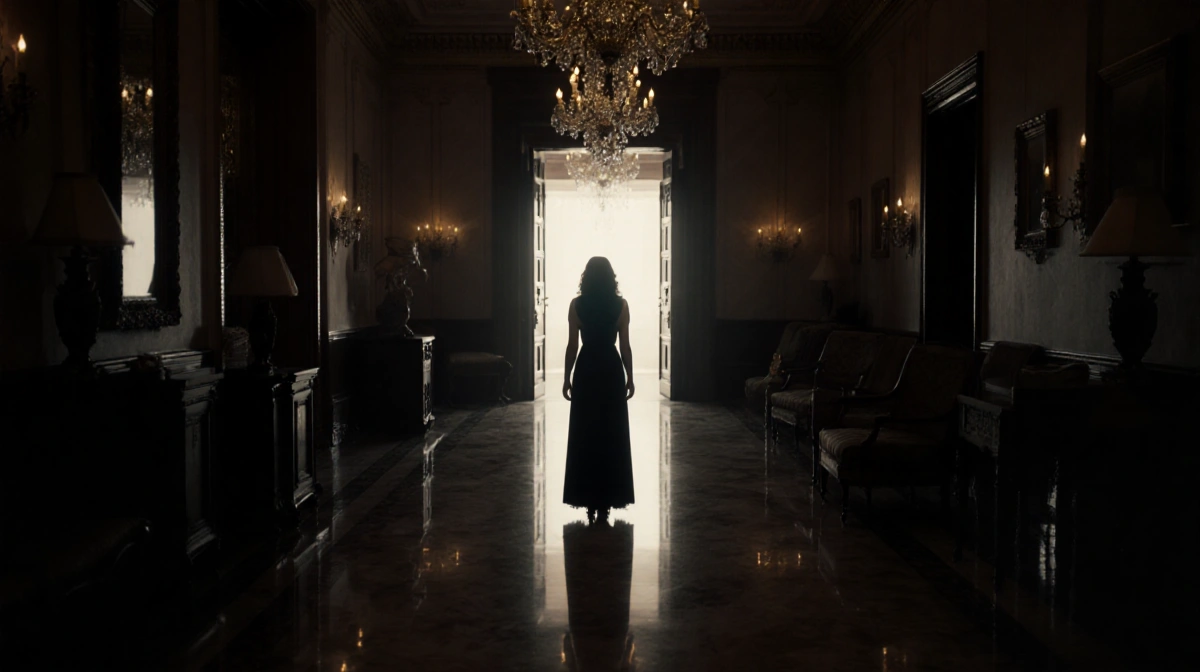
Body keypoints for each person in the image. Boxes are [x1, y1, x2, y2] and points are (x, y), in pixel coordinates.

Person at [562, 256, 635, 523]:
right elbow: (625, 346)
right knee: (611, 432)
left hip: (587, 368)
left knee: (586, 431)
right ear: (610, 278)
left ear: (586, 278)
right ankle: (608, 497)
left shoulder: (576, 305)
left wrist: (567, 377)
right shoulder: (621, 305)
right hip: (611, 369)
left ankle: (587, 497)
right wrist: (630, 377)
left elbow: (572, 346)